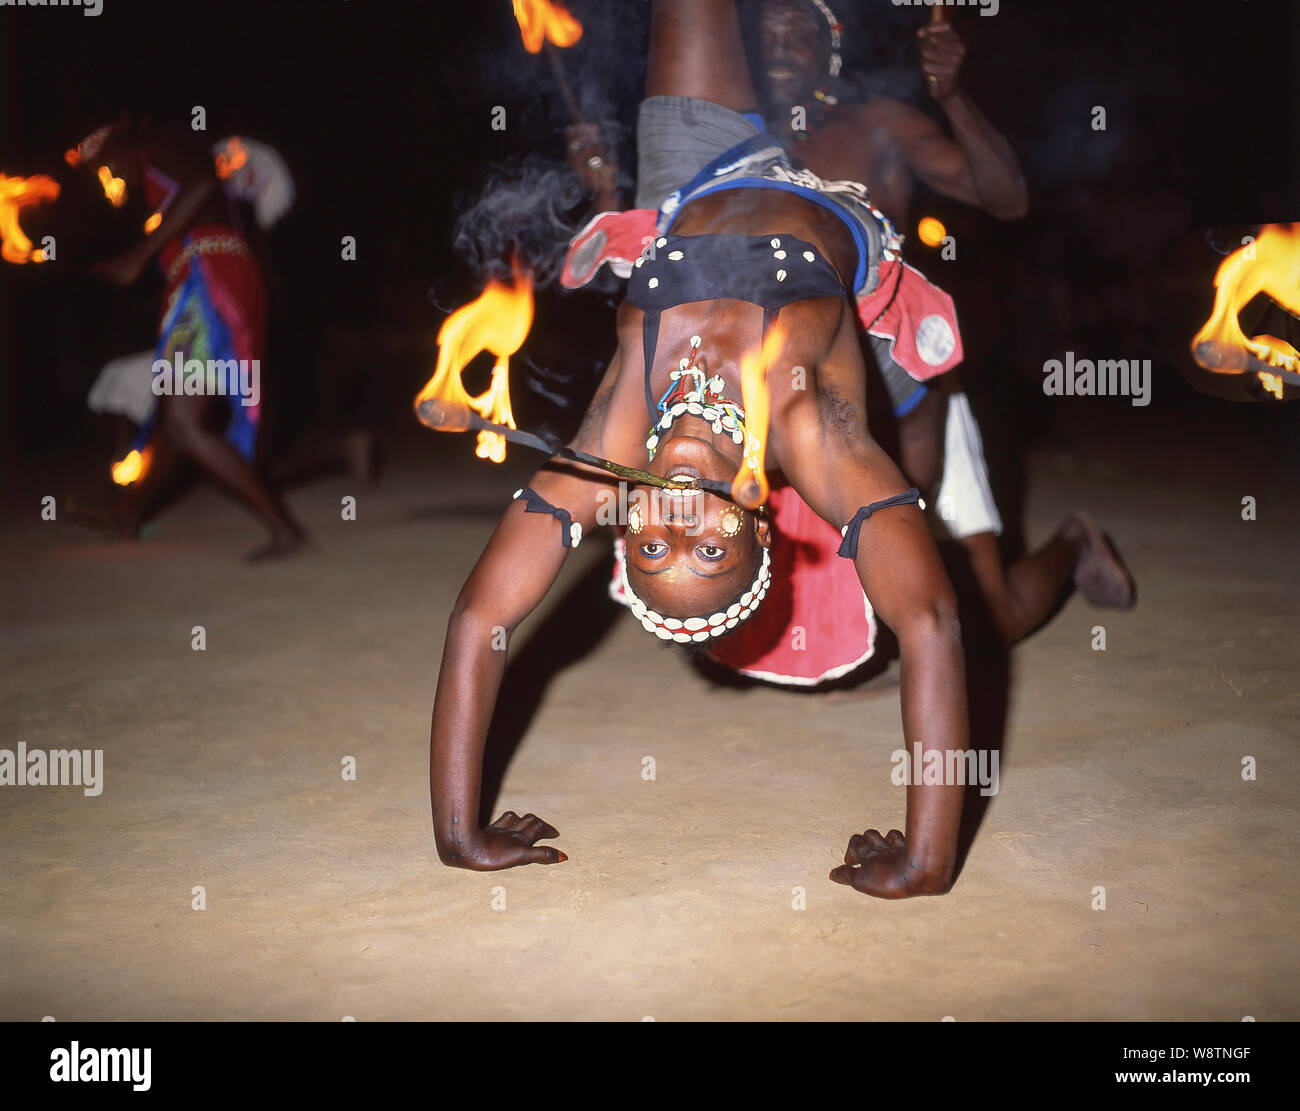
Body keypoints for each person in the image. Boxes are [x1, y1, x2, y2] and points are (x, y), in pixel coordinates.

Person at [430, 0, 1001, 899]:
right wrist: (927, 861)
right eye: (711, 548)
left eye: (654, 546)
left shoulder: (609, 440)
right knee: (964, 537)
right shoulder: (812, 429)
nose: (681, 524)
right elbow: (930, 622)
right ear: (759, 523)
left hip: (700, 177)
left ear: (625, 527)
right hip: (838, 229)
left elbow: (479, 620)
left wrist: (460, 835)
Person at [755, 0, 1133, 643]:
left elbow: (1007, 199)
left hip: (904, 388)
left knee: (992, 624)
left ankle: (1072, 543)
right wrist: (599, 186)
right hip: (781, 394)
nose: (782, 44)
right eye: (767, 34)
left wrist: (953, 98)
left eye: (800, 32)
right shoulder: (734, 151)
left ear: (832, 51)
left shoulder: (880, 126)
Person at [68, 118, 306, 561]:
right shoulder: (160, 167)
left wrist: (138, 257)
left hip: (211, 281)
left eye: (107, 164)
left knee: (183, 421)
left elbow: (203, 187)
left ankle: (283, 527)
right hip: (208, 279)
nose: (110, 177)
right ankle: (129, 512)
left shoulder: (158, 142)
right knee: (175, 418)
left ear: (125, 142)